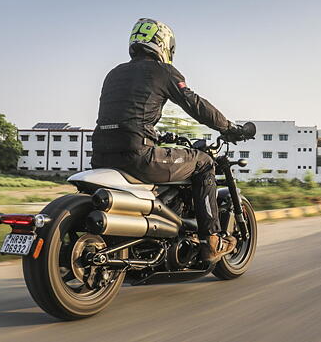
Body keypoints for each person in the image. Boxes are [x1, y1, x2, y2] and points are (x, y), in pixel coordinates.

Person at [91, 18, 243, 262]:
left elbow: (126, 115)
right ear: (163, 44)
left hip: (101, 155)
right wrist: (229, 127)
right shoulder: (163, 72)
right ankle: (212, 241)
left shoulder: (114, 74)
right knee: (203, 162)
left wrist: (158, 135)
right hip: (138, 155)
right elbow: (196, 105)